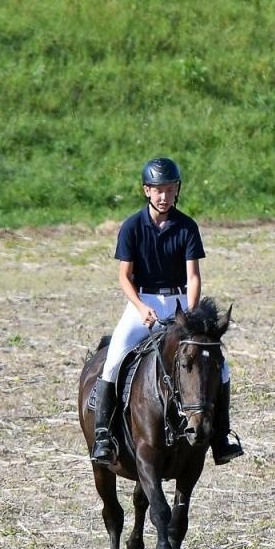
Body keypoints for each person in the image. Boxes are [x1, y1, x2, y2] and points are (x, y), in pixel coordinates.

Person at [89, 157, 243, 466]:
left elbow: (193, 277)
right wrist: (140, 306)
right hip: (143, 302)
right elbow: (124, 277)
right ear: (147, 191)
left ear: (177, 191)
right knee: (114, 357)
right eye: (158, 190)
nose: (164, 196)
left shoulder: (187, 227)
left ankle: (221, 437)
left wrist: (191, 314)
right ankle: (104, 434)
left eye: (170, 190)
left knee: (220, 366)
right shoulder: (132, 227)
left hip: (181, 303)